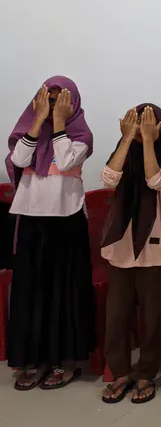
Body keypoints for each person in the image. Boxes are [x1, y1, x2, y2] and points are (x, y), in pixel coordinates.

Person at [5, 76, 95, 390]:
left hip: (66, 219)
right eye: (50, 98)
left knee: (63, 292)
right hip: (31, 219)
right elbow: (19, 160)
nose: (55, 104)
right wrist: (38, 121)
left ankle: (66, 362)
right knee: (32, 292)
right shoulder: (26, 130)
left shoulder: (81, 134)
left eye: (61, 99)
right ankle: (34, 361)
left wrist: (58, 124)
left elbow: (67, 157)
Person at [100, 104, 161, 404]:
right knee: (117, 315)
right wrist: (126, 139)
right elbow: (109, 178)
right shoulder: (122, 153)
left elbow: (155, 180)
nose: (141, 127)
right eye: (136, 122)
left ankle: (146, 373)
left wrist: (148, 141)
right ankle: (120, 372)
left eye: (148, 123)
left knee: (152, 316)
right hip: (120, 246)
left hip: (156, 248)